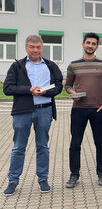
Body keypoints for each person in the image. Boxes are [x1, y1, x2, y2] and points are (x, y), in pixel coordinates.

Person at [3, 35, 63, 196]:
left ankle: (43, 179)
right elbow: (7, 89)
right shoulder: (17, 66)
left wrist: (46, 91)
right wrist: (28, 90)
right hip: (23, 111)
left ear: (41, 48)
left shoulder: (50, 65)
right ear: (26, 48)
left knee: (42, 146)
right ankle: (13, 180)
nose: (35, 50)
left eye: (38, 47)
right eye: (31, 47)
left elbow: (58, 86)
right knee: (18, 147)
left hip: (45, 110)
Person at [65, 32, 102, 188]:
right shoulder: (73, 65)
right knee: (75, 143)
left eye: (93, 43)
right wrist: (72, 93)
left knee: (100, 142)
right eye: (88, 43)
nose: (90, 46)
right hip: (78, 109)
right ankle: (74, 175)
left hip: (98, 109)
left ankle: (101, 173)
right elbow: (67, 85)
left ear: (97, 46)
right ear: (83, 44)